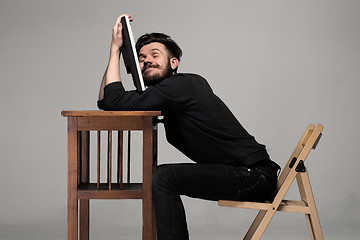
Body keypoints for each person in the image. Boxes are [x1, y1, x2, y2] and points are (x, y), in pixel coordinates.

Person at [98, 14, 281, 240]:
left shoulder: (183, 85)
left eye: (155, 55)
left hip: (254, 176)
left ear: (173, 63)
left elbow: (113, 100)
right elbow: (106, 100)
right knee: (163, 176)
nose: (147, 60)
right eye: (141, 58)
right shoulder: (165, 97)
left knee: (164, 177)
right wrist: (115, 54)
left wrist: (115, 50)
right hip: (246, 174)